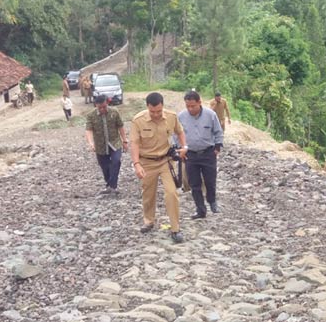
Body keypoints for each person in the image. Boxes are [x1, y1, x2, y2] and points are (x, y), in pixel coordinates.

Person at [130, 92, 188, 243]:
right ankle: (149, 220)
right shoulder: (138, 120)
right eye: (152, 111)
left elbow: (180, 131)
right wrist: (136, 164)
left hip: (166, 161)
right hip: (147, 162)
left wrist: (184, 147)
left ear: (163, 106)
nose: (156, 114)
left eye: (158, 111)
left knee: (171, 193)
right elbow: (134, 143)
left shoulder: (171, 116)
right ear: (147, 107)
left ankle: (175, 228)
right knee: (148, 194)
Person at [178, 91, 223, 219]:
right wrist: (179, 149)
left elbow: (218, 131)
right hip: (190, 154)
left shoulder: (210, 115)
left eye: (193, 106)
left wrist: (217, 147)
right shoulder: (181, 116)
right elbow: (176, 134)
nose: (190, 109)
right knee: (194, 183)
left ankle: (212, 202)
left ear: (199, 103)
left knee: (210, 180)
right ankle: (200, 209)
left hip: (208, 153)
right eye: (188, 106)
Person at [85, 95, 127, 195]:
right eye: (100, 107)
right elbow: (89, 130)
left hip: (115, 143)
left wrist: (125, 140)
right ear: (96, 105)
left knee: (116, 161)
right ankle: (109, 185)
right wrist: (91, 143)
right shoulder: (91, 115)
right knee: (104, 166)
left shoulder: (114, 112)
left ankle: (113, 186)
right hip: (100, 145)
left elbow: (120, 126)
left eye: (104, 106)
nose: (103, 109)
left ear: (107, 103)